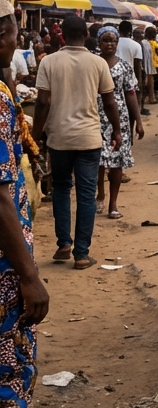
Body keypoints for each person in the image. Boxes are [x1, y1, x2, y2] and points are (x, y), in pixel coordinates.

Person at [0, 0, 51, 408]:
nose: (20, 36)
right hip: (5, 273)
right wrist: (29, 274)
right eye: (16, 26)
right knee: (11, 378)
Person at [31, 15, 120, 270]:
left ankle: (63, 245)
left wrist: (35, 137)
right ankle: (81, 254)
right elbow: (110, 102)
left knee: (60, 188)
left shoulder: (49, 62)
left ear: (62, 35)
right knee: (86, 194)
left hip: (59, 138)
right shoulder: (98, 63)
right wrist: (116, 130)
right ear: (86, 35)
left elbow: (43, 103)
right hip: (89, 138)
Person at [94, 27, 143, 219]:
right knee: (97, 159)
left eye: (113, 41)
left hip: (118, 119)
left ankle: (113, 204)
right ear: (99, 42)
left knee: (116, 162)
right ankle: (100, 194)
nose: (110, 44)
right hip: (95, 115)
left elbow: (131, 94)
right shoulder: (94, 64)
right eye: (106, 40)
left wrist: (138, 121)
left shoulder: (124, 67)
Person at [142, 26, 158, 106]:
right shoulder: (155, 43)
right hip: (151, 63)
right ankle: (151, 98)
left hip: (143, 63)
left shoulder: (143, 42)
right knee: (150, 80)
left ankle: (145, 98)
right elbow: (157, 54)